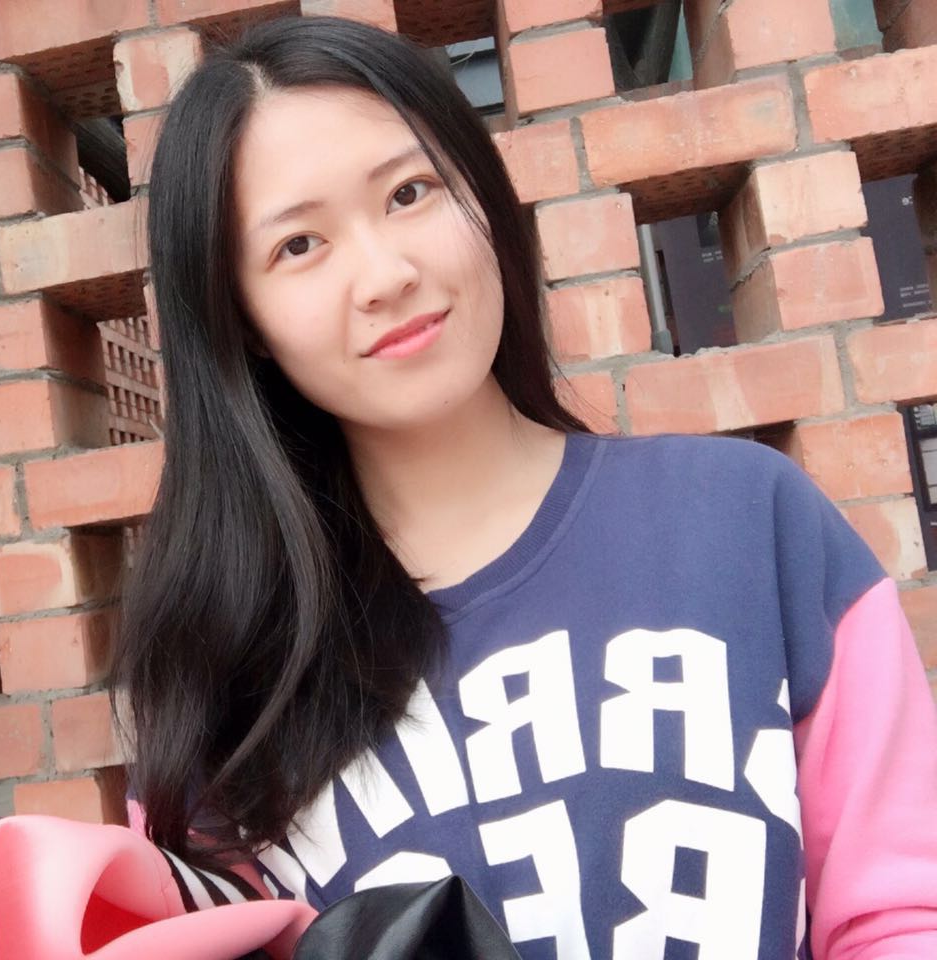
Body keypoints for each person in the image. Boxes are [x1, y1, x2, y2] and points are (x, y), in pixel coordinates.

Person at [111, 13, 937, 960]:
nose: (385, 275)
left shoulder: (749, 523)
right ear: (244, 321)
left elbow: (901, 915)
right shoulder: (226, 678)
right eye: (299, 245)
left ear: (482, 196)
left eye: (410, 192)